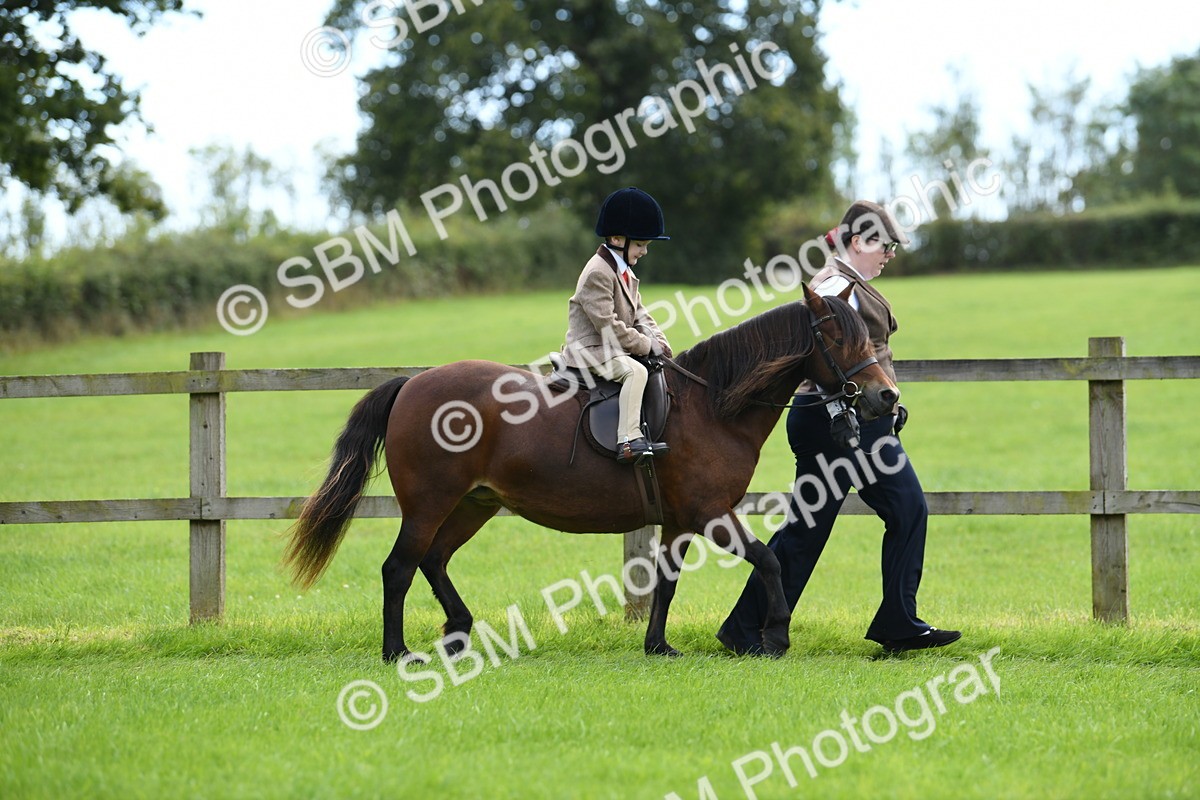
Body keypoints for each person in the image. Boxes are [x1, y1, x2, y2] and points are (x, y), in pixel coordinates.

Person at [717, 200, 961, 654]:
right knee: (885, 514)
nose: (890, 254)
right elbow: (826, 357)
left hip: (847, 423)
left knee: (834, 524)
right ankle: (894, 624)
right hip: (841, 425)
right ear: (856, 242)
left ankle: (749, 628)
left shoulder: (849, 284)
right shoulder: (835, 288)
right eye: (883, 245)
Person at [561, 187, 673, 464]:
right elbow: (608, 326)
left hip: (610, 347)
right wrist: (646, 345)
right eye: (641, 245)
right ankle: (628, 440)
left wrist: (661, 341)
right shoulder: (597, 272)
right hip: (590, 349)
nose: (645, 251)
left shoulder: (623, 270)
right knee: (635, 371)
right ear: (617, 238)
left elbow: (640, 314)